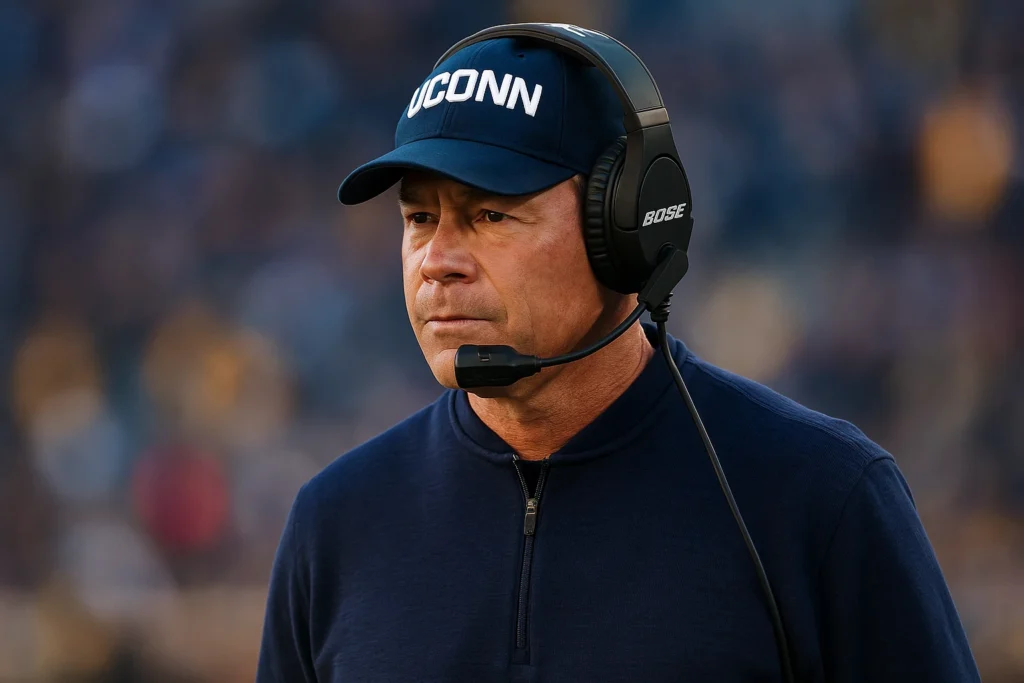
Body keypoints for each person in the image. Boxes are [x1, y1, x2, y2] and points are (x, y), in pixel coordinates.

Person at [256, 25, 980, 683]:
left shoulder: (821, 498)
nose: (438, 260)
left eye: (490, 214)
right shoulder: (336, 523)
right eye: (420, 218)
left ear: (627, 225)